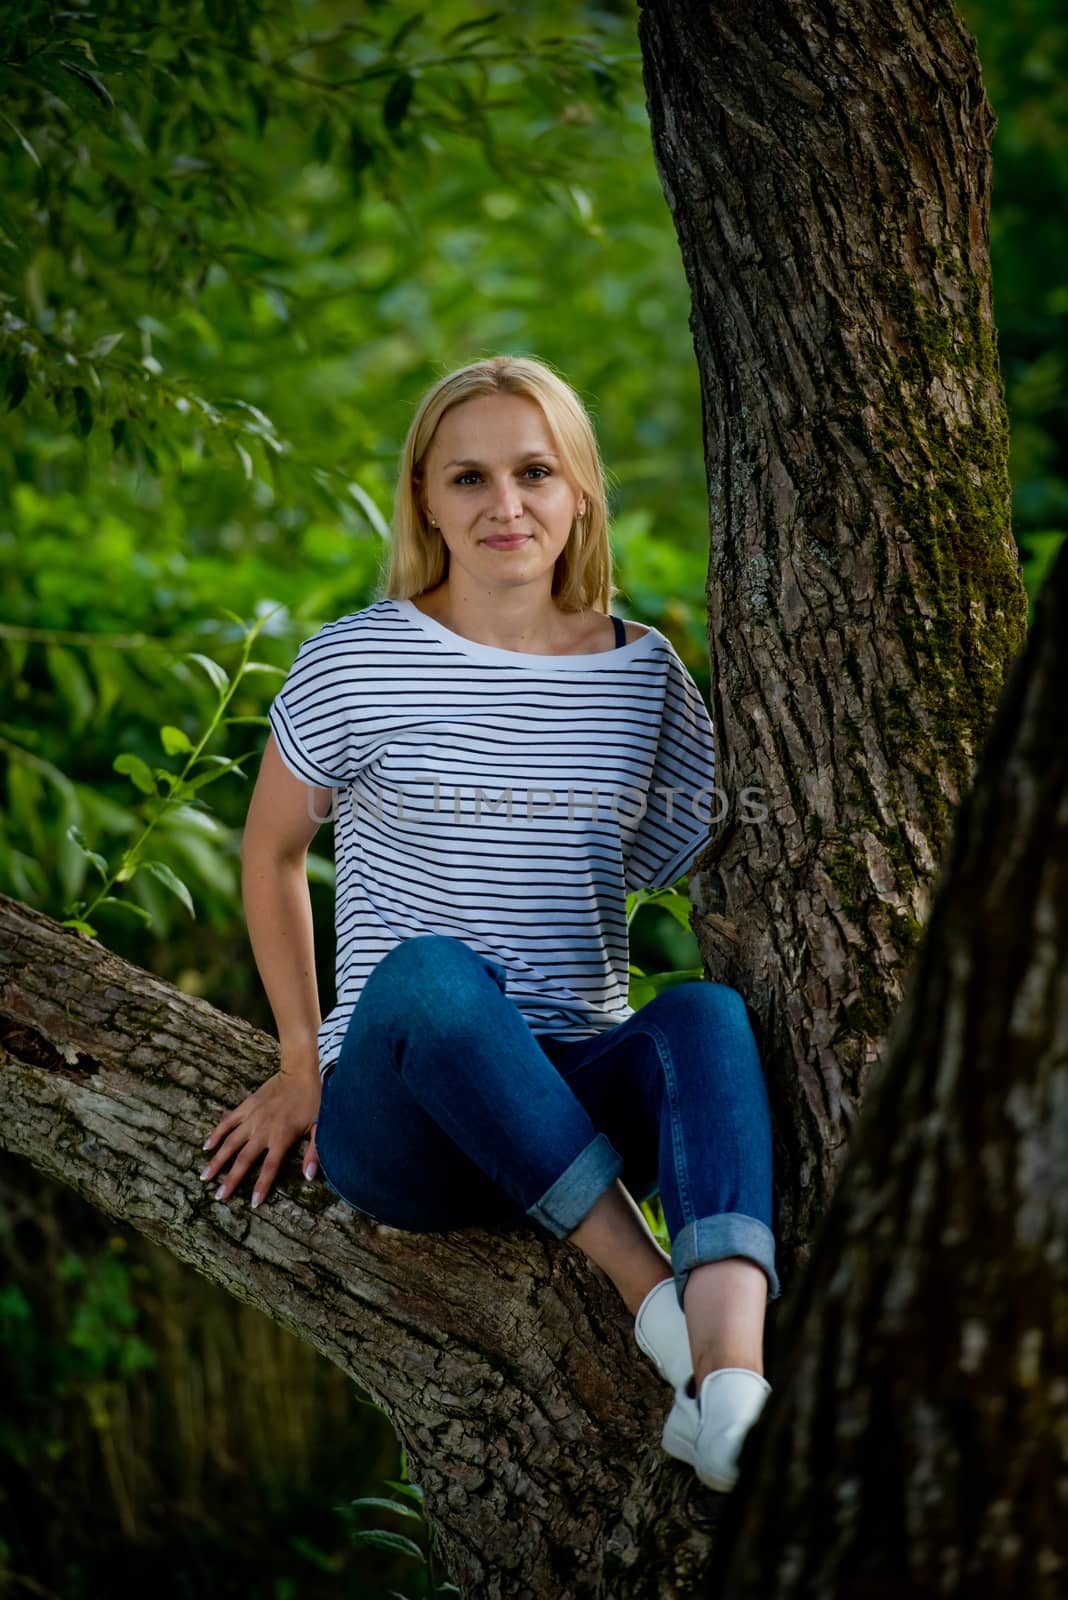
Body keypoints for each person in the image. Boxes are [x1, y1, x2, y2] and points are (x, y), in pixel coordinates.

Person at [199, 354, 779, 1493]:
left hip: (566, 1101)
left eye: (533, 472)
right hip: (407, 1112)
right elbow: (270, 854)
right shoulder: (357, 659)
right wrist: (300, 1057)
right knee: (431, 974)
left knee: (705, 1016)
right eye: (468, 477)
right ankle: (648, 1295)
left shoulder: (643, 673)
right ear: (425, 497)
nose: (504, 505)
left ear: (579, 496)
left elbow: (693, 858)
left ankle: (731, 1392)